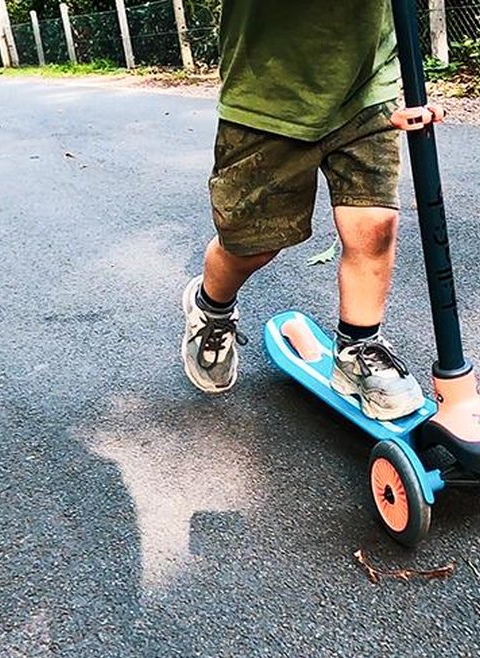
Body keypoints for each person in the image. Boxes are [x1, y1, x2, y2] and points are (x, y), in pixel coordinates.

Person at [181, 1, 440, 421]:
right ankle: (210, 305)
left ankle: (358, 348)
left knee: (374, 226)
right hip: (265, 98)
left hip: (366, 89)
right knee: (252, 247)